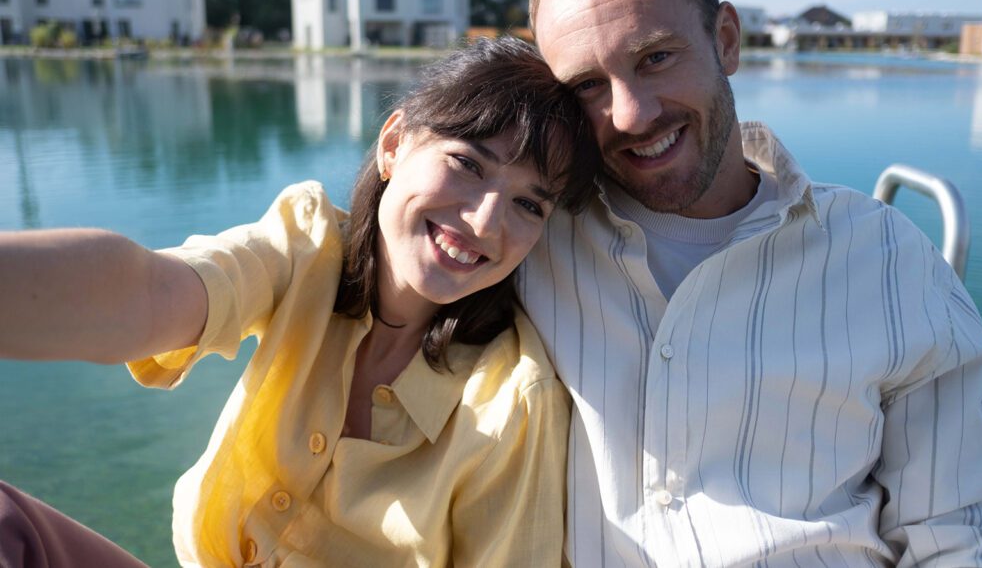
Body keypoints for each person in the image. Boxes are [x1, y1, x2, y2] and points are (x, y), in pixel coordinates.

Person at [517, 0, 982, 567]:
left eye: (657, 57)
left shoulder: (891, 261)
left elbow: (960, 537)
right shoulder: (523, 242)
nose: (633, 112)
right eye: (588, 85)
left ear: (727, 39)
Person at [0, 36, 599, 567]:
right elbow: (150, 293)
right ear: (394, 144)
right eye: (468, 164)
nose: (484, 221)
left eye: (529, 204)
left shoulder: (513, 399)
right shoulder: (307, 248)